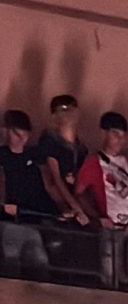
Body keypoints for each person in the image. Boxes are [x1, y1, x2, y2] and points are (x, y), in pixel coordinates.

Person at [76, 112, 128, 287]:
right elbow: (80, 193)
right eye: (115, 134)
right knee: (108, 272)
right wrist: (98, 217)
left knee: (125, 274)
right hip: (109, 225)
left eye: (122, 136)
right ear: (104, 133)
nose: (119, 140)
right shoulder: (93, 162)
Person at [2, 108, 52, 274]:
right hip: (9, 221)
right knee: (11, 260)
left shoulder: (35, 157)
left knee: (40, 261)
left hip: (32, 220)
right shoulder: (2, 156)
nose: (21, 137)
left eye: (24, 133)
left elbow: (46, 187)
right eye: (16, 132)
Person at [35, 96, 89, 225]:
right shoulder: (49, 140)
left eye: (72, 108)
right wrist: (77, 209)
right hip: (51, 202)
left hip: (73, 198)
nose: (69, 114)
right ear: (55, 115)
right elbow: (54, 179)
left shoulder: (81, 148)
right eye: (64, 109)